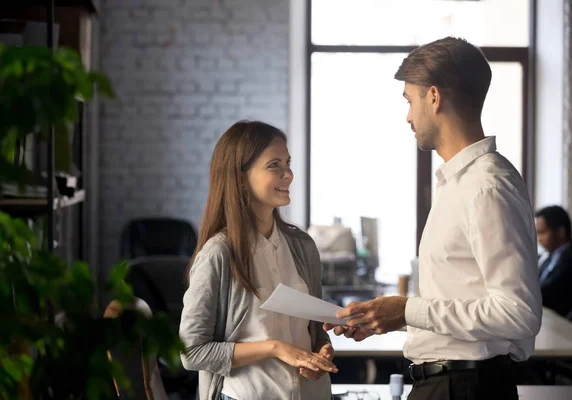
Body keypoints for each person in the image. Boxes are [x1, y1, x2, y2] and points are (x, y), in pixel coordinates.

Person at [324, 37, 542, 400]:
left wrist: (408, 309)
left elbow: (517, 313)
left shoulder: (485, 187)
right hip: (450, 383)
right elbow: (459, 302)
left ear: (435, 97)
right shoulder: (459, 184)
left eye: (410, 100)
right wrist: (391, 317)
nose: (408, 116)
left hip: (464, 387)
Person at [179, 120, 337, 400]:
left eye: (287, 163)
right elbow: (191, 351)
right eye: (274, 165)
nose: (288, 174)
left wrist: (321, 352)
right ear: (240, 178)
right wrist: (274, 347)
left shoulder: (302, 246)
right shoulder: (219, 253)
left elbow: (314, 332)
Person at [535, 205, 572, 317]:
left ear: (560, 232)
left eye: (542, 233)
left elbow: (549, 294)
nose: (539, 239)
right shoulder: (547, 259)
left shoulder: (568, 260)